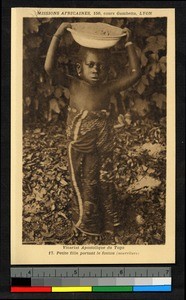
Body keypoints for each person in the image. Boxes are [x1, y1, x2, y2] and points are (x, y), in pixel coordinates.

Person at [44, 22, 141, 243]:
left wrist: (129, 42)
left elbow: (135, 74)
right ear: (80, 68)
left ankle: (108, 222)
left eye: (101, 66)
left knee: (101, 180)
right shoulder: (73, 85)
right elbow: (49, 68)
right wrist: (58, 34)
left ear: (107, 70)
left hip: (102, 144)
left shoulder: (107, 88)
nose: (96, 69)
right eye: (91, 65)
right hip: (78, 145)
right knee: (81, 180)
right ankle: (85, 221)